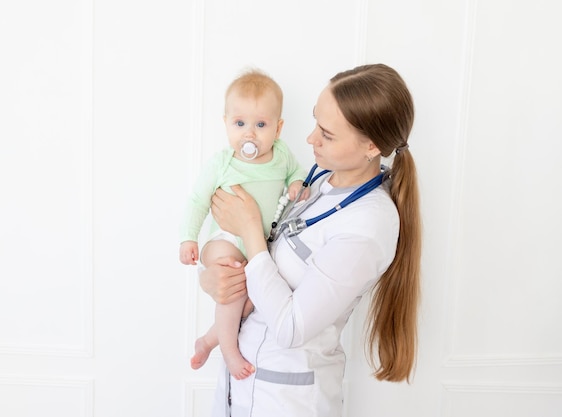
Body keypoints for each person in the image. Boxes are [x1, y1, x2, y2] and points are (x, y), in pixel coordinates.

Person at [199, 63, 422, 417]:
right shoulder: (319, 184)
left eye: (327, 134)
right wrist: (214, 277)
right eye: (316, 121)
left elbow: (290, 328)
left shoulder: (367, 226)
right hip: (241, 384)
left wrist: (251, 230)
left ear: (371, 146)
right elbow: (265, 265)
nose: (310, 139)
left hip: (286, 401)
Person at [179, 68, 307, 380]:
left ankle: (209, 340)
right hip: (224, 239)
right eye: (239, 124)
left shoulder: (282, 155)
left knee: (249, 300)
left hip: (257, 244)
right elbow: (197, 200)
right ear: (226, 124)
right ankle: (229, 350)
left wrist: (296, 185)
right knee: (234, 281)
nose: (249, 134)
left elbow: (296, 176)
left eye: (260, 125)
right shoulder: (221, 163)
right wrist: (188, 238)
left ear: (278, 128)